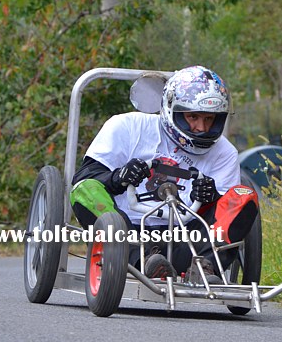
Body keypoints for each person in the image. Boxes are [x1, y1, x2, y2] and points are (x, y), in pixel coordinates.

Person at [69, 65, 259, 283]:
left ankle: (205, 268)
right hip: (126, 236)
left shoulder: (225, 153)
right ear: (172, 110)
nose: (201, 128)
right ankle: (146, 262)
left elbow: (224, 214)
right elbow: (84, 179)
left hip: (186, 242)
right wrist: (119, 178)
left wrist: (211, 196)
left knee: (244, 194)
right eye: (193, 116)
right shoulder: (127, 126)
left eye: (209, 119)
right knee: (85, 189)